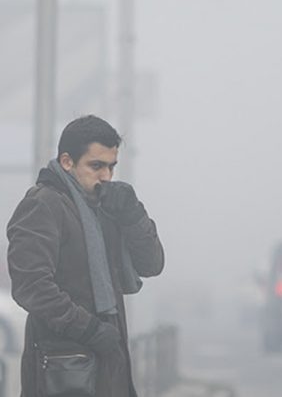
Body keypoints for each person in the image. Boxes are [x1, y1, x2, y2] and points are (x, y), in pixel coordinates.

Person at [6, 115, 164, 397]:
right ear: (67, 162)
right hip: (64, 369)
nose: (106, 176)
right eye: (96, 166)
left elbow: (152, 264)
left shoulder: (105, 207)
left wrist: (133, 215)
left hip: (107, 366)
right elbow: (31, 286)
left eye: (111, 167)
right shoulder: (42, 204)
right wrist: (89, 330)